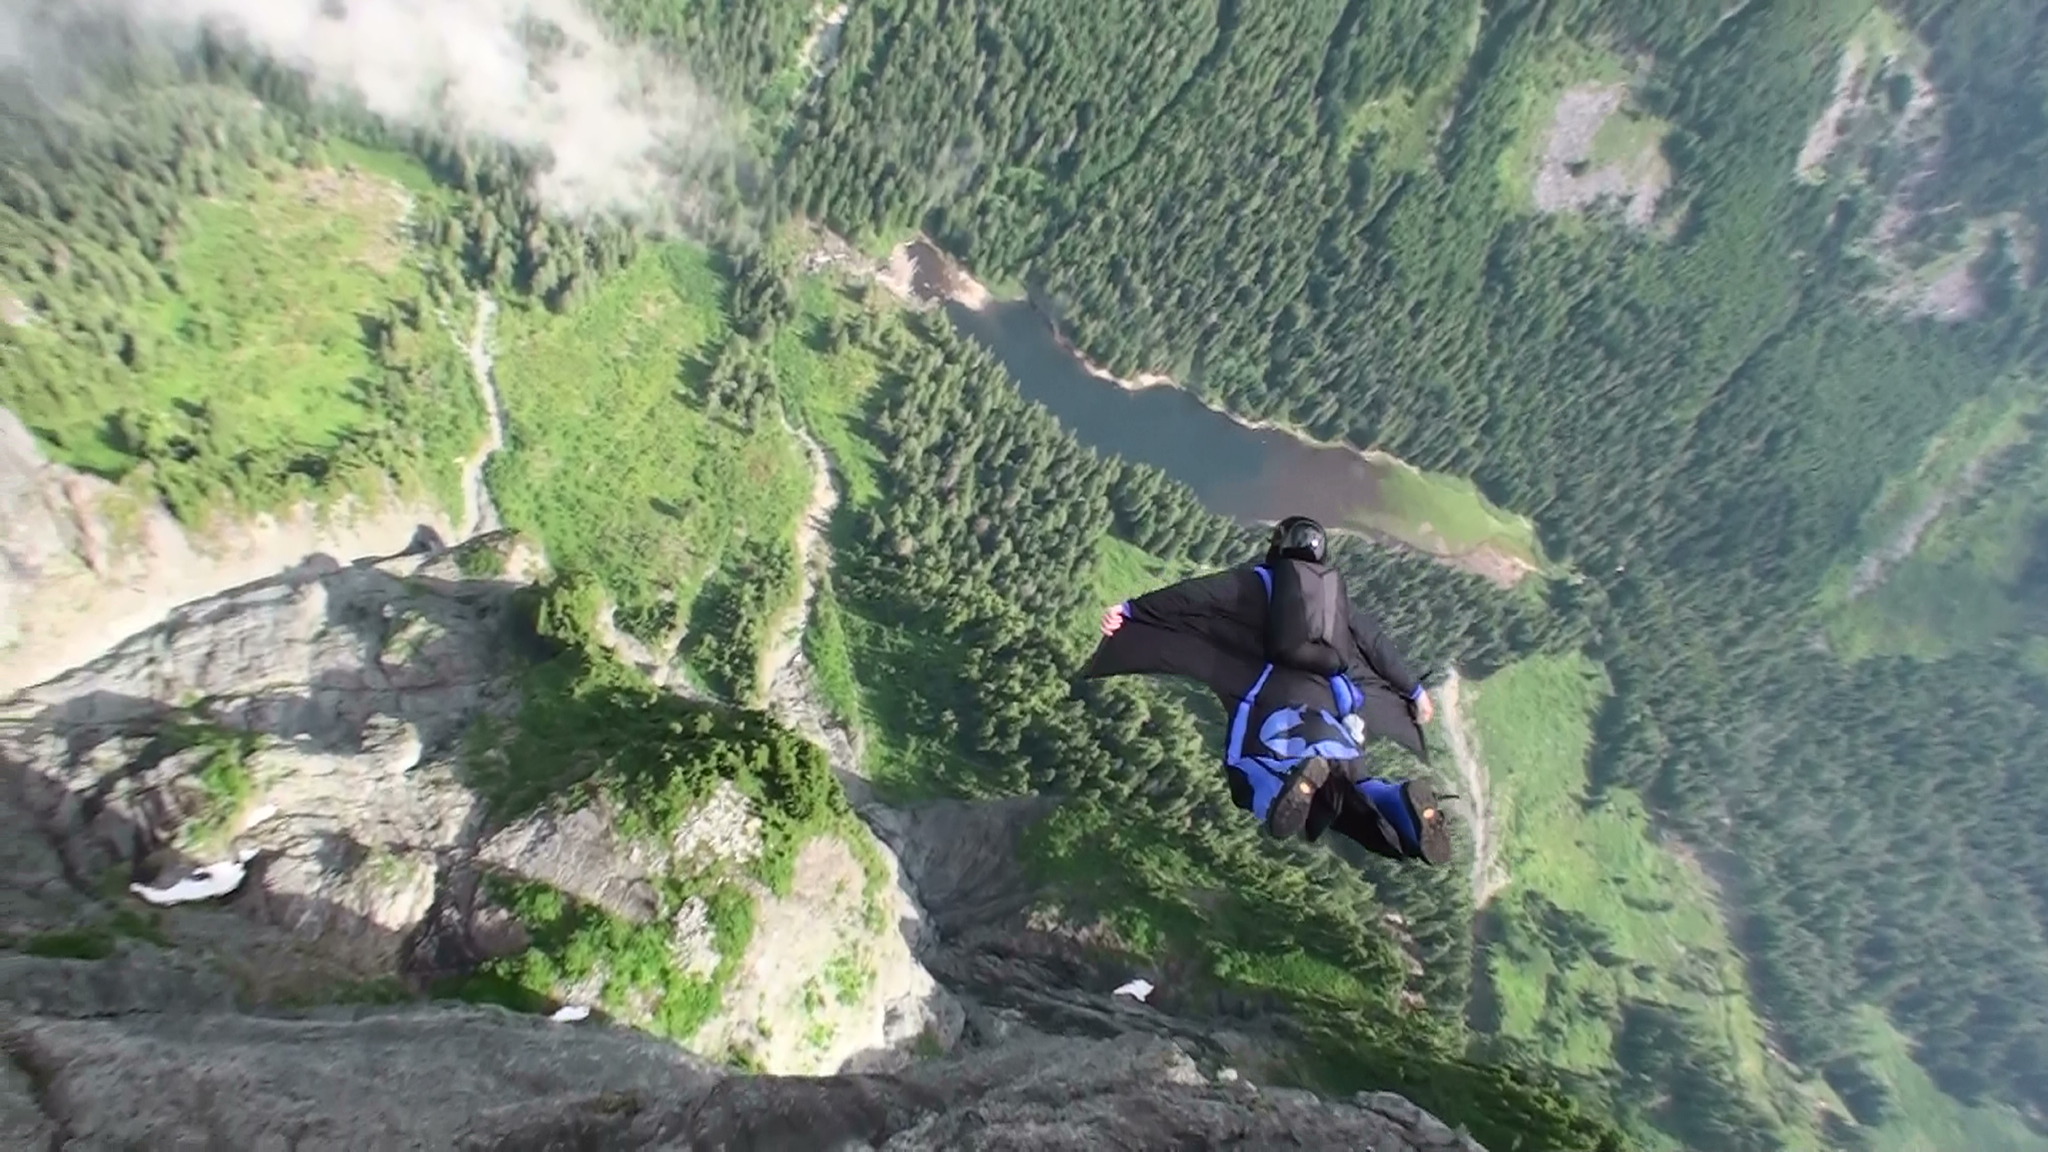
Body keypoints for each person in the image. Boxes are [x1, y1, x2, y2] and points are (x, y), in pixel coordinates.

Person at [1081, 516, 1452, 864]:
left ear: (1277, 547)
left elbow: (1194, 596)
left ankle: (1292, 781)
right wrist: (1415, 692)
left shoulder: (1257, 582)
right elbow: (1377, 646)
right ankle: (1402, 804)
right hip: (1339, 711)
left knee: (1246, 773)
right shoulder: (1338, 604)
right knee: (1356, 788)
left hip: (1272, 698)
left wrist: (1132, 609)